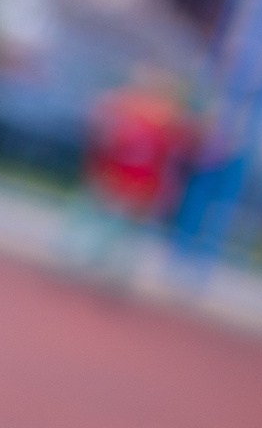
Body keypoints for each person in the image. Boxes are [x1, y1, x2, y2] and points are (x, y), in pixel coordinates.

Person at [59, 63, 190, 286]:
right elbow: (100, 125)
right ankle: (92, 259)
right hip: (118, 175)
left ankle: (107, 265)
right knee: (105, 220)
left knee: (120, 226)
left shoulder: (164, 116)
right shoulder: (134, 107)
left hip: (138, 182)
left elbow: (181, 151)